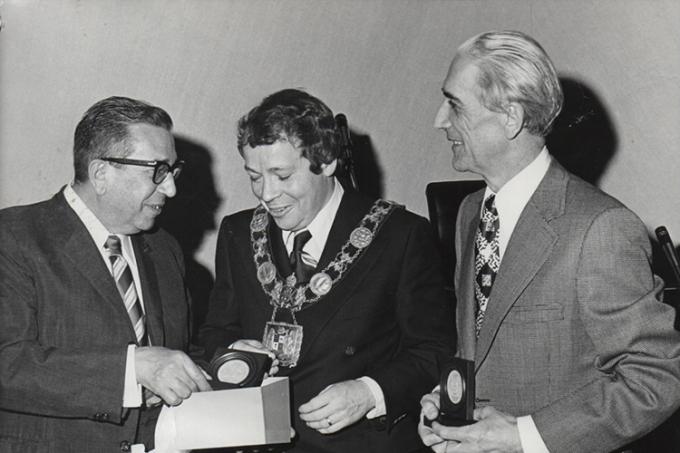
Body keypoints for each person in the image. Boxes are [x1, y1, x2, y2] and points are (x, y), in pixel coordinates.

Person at [418, 30, 680, 453]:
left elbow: (658, 376)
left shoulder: (600, 228)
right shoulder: (469, 213)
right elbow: (484, 350)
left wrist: (523, 437)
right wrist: (447, 404)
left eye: (454, 104)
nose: (439, 119)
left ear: (511, 116)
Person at [198, 88, 455, 452]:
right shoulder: (238, 232)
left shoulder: (400, 235)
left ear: (327, 162)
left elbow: (434, 351)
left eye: (282, 176)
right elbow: (215, 333)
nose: (266, 194)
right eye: (255, 176)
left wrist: (369, 392)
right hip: (260, 441)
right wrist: (232, 355)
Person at [0, 96, 212, 452]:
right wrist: (131, 370)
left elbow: (176, 356)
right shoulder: (14, 237)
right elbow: (7, 363)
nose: (171, 189)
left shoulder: (164, 249)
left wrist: (231, 362)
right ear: (101, 173)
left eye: (173, 171)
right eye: (157, 171)